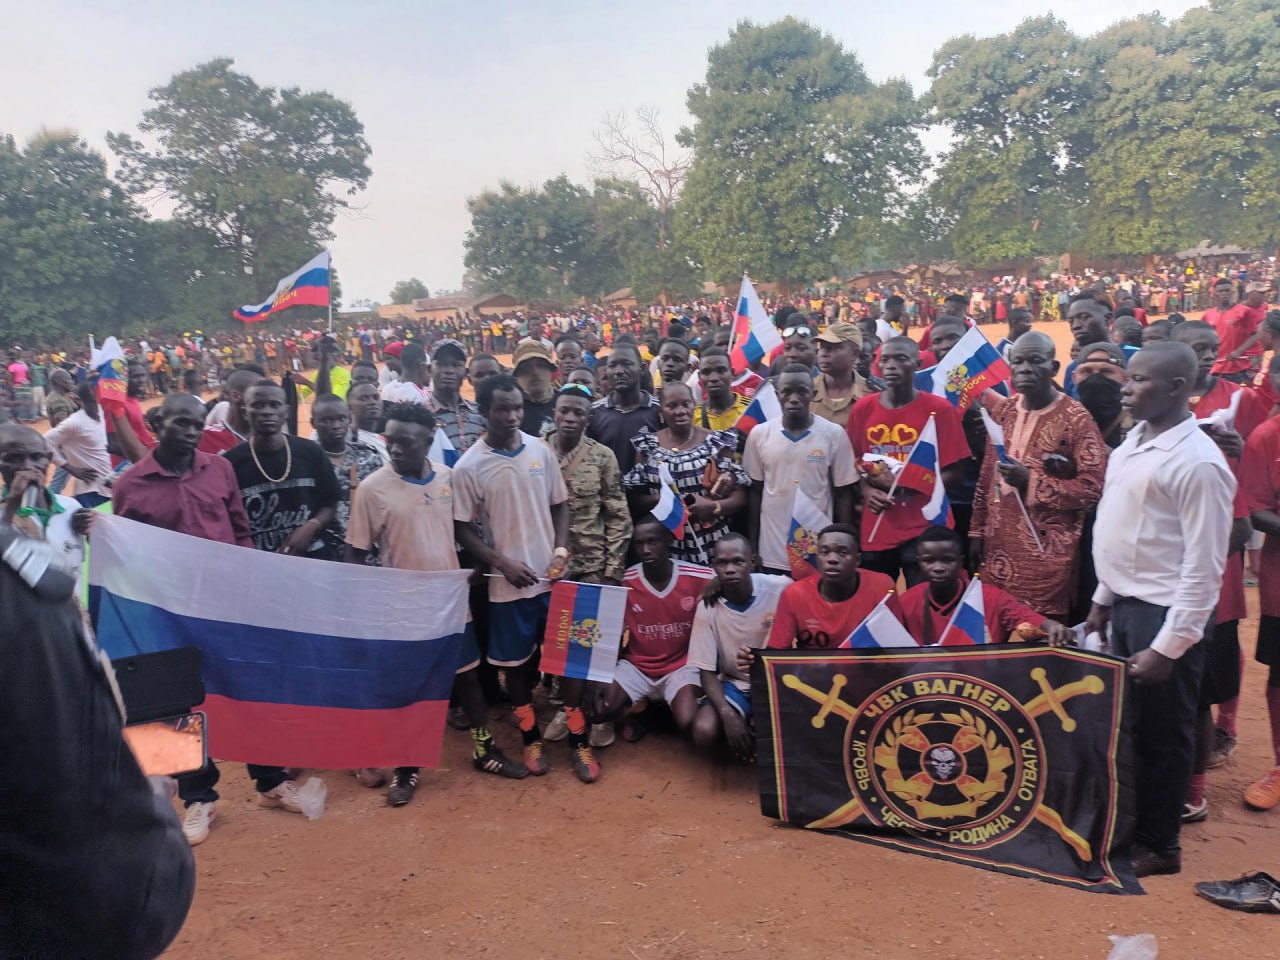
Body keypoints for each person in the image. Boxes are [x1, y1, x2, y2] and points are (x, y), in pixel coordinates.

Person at [0, 523, 194, 959]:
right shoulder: (19, 585)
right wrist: (153, 807)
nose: (27, 467)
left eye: (36, 455)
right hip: (58, 923)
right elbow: (76, 800)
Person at [1085, 342, 1236, 877]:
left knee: (1164, 736)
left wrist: (1169, 646)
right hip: (1125, 604)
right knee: (1128, 729)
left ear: (1178, 389)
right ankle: (1129, 828)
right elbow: (1123, 530)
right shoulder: (1132, 442)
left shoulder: (1199, 464)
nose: (1126, 387)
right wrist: (1103, 599)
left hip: (1164, 616)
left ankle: (1160, 845)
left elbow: (1203, 567)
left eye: (1141, 380)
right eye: (1128, 377)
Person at [346, 402, 529, 805]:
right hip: (401, 607)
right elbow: (356, 554)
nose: (395, 449)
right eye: (390, 441)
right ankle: (407, 766)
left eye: (405, 442)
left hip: (449, 602)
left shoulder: (450, 480)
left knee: (468, 677)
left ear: (428, 441)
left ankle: (484, 749)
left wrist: (474, 573)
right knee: (409, 686)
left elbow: (467, 535)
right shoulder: (372, 489)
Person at [110, 393, 254, 845]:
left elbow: (240, 527)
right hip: (163, 609)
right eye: (181, 423)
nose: (191, 432)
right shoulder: (130, 485)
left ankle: (270, 780)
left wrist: (252, 583)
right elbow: (124, 553)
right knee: (167, 703)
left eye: (197, 424)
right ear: (157, 423)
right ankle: (196, 797)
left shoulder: (221, 469)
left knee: (243, 688)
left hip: (223, 603)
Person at [451, 375, 576, 779]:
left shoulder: (540, 450)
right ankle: (530, 737)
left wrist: (560, 550)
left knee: (569, 661)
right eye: (503, 409)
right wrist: (501, 563)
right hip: (508, 587)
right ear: (484, 412)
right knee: (517, 669)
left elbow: (561, 505)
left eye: (518, 408)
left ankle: (579, 739)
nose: (512, 416)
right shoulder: (470, 466)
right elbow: (462, 529)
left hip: (551, 580)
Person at [223, 381, 340, 810]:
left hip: (314, 574)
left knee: (319, 657)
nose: (268, 412)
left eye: (275, 405)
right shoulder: (230, 464)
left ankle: (333, 745)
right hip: (259, 584)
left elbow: (330, 501)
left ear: (288, 409)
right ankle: (290, 748)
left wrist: (311, 527)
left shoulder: (309, 453)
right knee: (276, 667)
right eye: (259, 405)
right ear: (244, 408)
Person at [970, 333, 1107, 621]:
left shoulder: (1076, 419)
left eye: (1035, 361)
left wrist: (1031, 481)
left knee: (1041, 640)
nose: (1025, 368)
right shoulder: (1004, 411)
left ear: (1054, 367)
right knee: (996, 628)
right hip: (997, 550)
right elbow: (987, 476)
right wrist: (977, 530)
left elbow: (1092, 488)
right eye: (1017, 361)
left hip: (1046, 555)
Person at [542, 384, 631, 750]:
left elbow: (618, 514)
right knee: (558, 647)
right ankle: (568, 707)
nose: (571, 418)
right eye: (565, 411)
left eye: (579, 412)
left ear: (588, 419)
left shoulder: (602, 457)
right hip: (547, 569)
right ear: (554, 413)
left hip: (592, 567)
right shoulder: (535, 452)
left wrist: (612, 570)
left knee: (592, 646)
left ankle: (596, 713)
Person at [848, 337, 969, 585]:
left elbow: (956, 472)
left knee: (923, 601)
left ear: (916, 363)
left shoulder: (940, 409)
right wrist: (867, 490)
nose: (891, 366)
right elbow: (853, 463)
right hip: (878, 525)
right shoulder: (863, 409)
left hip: (925, 525)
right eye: (885, 360)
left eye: (900, 359)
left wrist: (906, 483)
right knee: (879, 601)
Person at [589, 516, 712, 740]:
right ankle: (641, 707)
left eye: (653, 541)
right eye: (639, 543)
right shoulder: (626, 582)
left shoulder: (697, 577)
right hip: (638, 666)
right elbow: (607, 630)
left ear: (668, 541)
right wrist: (601, 676)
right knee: (600, 710)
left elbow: (724, 581)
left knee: (687, 722)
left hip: (680, 665)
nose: (646, 549)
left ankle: (653, 714)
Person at [744, 365, 857, 576]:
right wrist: (753, 544)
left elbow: (843, 493)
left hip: (817, 547)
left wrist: (844, 541)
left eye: (802, 391)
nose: (794, 398)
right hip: (771, 548)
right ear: (777, 395)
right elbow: (755, 492)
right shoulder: (759, 435)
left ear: (813, 394)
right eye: (787, 391)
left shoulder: (834, 434)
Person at [688, 535, 790, 759]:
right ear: (713, 566)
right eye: (722, 563)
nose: (730, 569)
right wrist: (726, 714)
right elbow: (706, 671)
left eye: (738, 561)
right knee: (704, 730)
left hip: (777, 680)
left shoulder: (780, 588)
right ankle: (736, 750)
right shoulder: (708, 605)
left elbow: (810, 592)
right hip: (736, 683)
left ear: (752, 561)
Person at [624, 382, 748, 566]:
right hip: (666, 544)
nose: (680, 411)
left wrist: (713, 506)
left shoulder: (716, 442)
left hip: (711, 543)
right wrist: (662, 501)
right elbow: (634, 500)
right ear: (661, 410)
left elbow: (741, 496)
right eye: (672, 406)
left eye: (686, 404)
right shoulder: (647, 446)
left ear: (694, 405)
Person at [902, 526, 1074, 645]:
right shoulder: (906, 602)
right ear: (919, 563)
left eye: (947, 560)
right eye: (929, 561)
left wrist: (1053, 627)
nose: (938, 568)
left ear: (961, 562)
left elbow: (1026, 618)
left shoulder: (991, 598)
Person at [764, 524, 900, 650]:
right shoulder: (794, 594)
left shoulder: (882, 587)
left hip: (865, 671)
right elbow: (776, 652)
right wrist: (753, 660)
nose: (832, 559)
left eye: (843, 552)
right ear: (817, 558)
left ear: (857, 560)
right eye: (825, 552)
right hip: (812, 672)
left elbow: (897, 646)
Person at [0, 424, 92, 593]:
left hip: (69, 616)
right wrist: (12, 505)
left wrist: (93, 535)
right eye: (14, 458)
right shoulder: (4, 515)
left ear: (49, 460)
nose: (27, 466)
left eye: (36, 457)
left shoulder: (71, 508)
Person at [311, 393, 386, 563]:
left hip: (368, 554)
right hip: (324, 556)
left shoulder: (369, 456)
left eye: (341, 418)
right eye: (326, 420)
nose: (336, 425)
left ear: (349, 419)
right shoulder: (307, 460)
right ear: (313, 423)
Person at [588, 342, 661, 478]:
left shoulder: (659, 411)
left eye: (626, 364)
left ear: (642, 368)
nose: (618, 371)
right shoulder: (595, 413)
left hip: (651, 496)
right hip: (609, 496)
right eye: (612, 366)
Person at [44, 381, 114, 509]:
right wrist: (69, 467)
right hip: (91, 491)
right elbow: (44, 442)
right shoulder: (74, 422)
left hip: (109, 486)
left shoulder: (101, 411)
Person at [1210, 280, 1270, 383]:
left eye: (1264, 293)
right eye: (1261, 293)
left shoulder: (1263, 307)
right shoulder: (1242, 310)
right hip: (1238, 357)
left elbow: (1257, 333)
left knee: (1253, 380)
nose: (1264, 296)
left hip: (1254, 353)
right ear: (1251, 293)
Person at [812, 322, 869, 428]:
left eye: (833, 347)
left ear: (854, 354)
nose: (823, 353)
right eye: (822, 347)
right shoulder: (806, 391)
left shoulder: (871, 394)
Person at [1063, 297, 1114, 399]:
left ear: (1107, 319)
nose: (1075, 326)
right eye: (1071, 321)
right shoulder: (1072, 368)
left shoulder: (1135, 359)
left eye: (1084, 317)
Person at [695, 347, 751, 431]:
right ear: (699, 377)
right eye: (706, 372)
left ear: (732, 374)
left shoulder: (750, 410)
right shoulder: (693, 415)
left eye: (721, 370)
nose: (714, 378)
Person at [512, 339, 558, 437]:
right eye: (526, 368)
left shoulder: (566, 403)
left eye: (541, 365)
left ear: (550, 370)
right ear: (517, 376)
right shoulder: (511, 411)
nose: (535, 372)